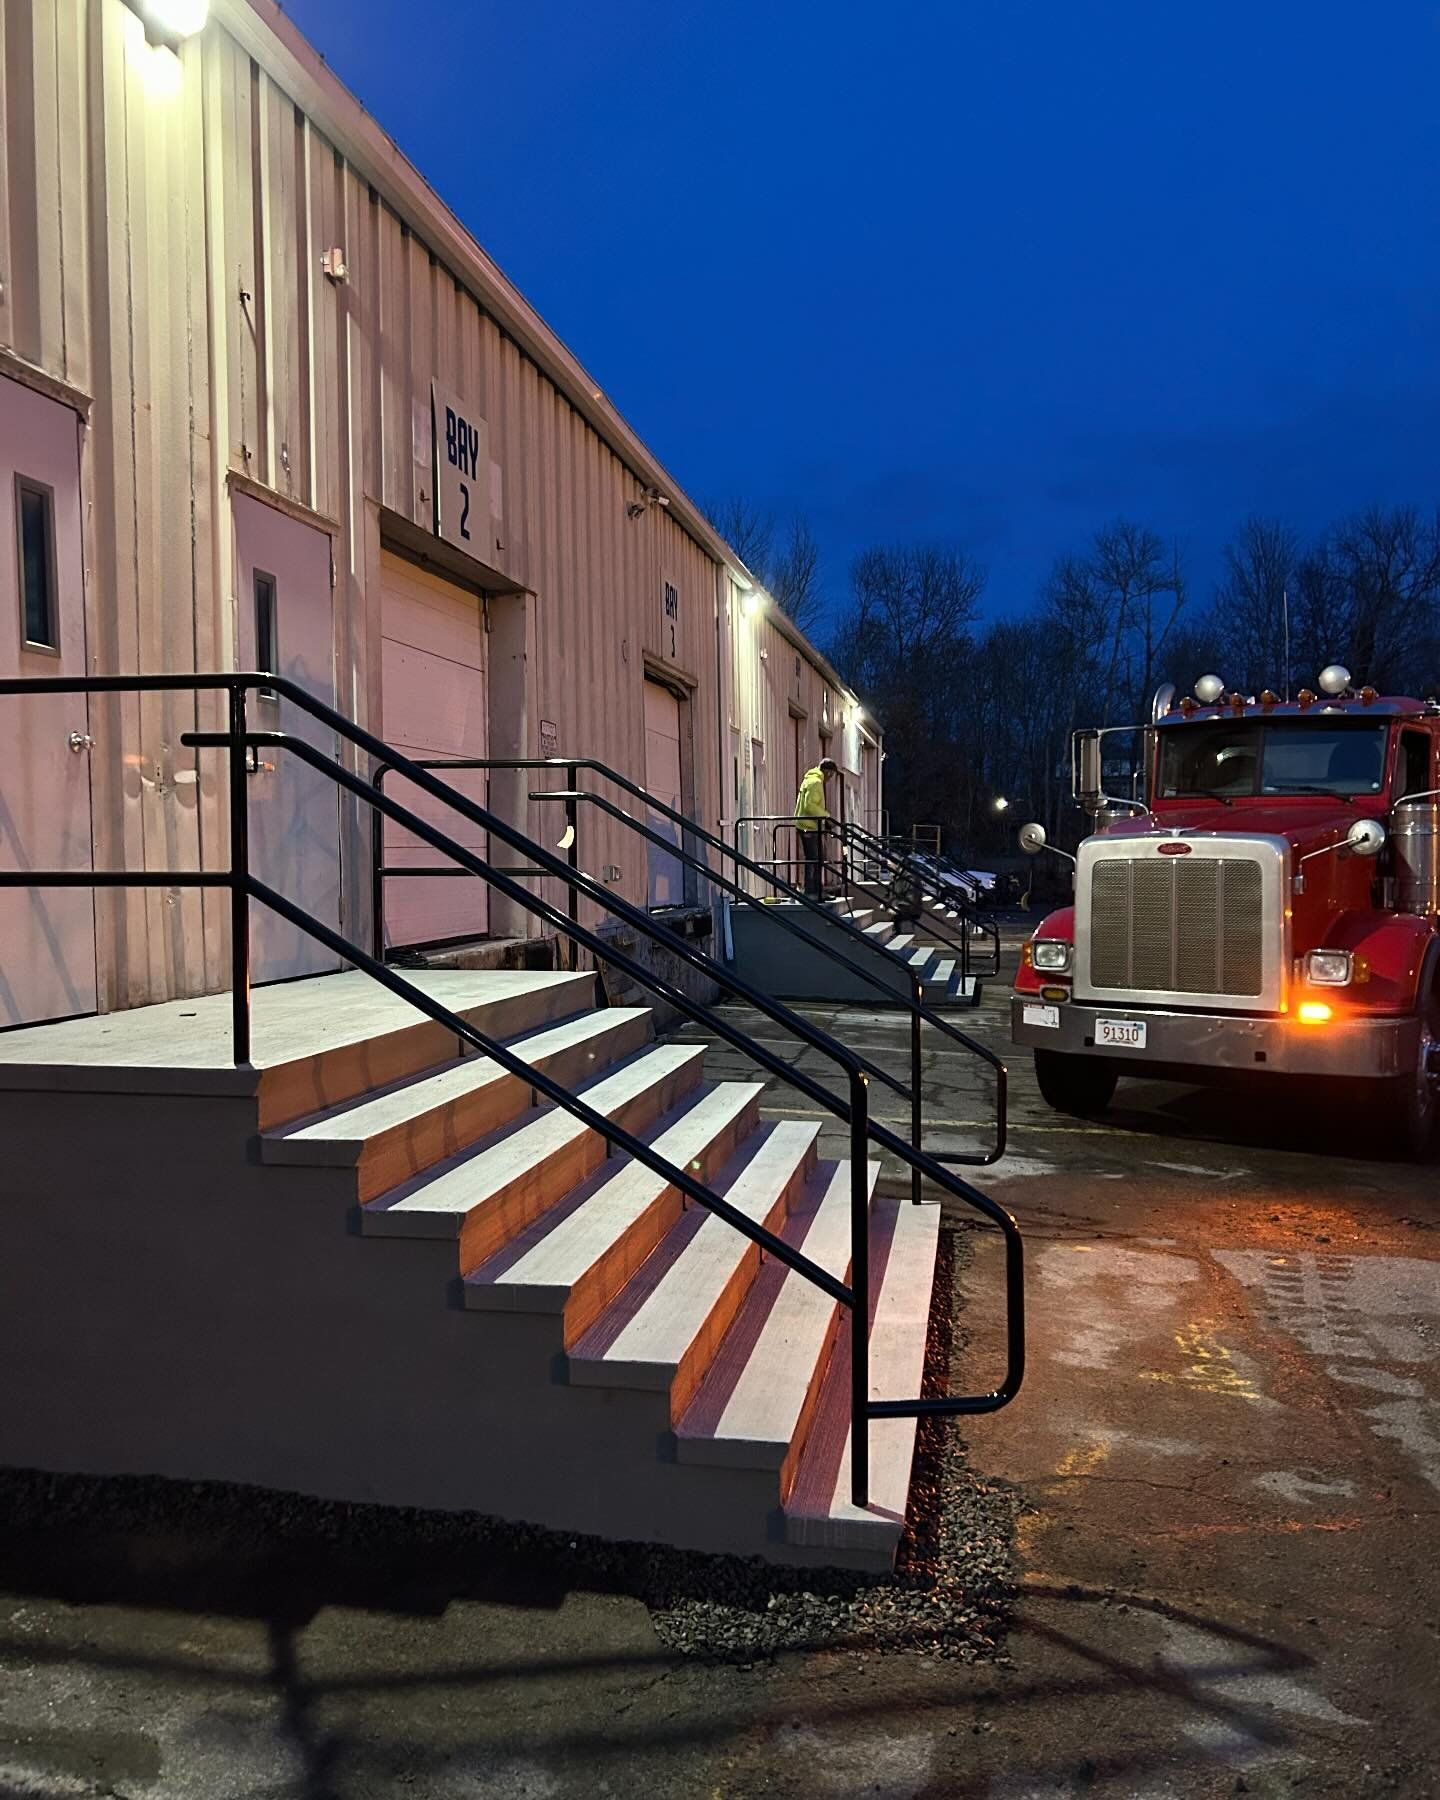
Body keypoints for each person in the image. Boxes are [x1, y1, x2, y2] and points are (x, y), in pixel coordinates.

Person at [793, 756, 838, 897]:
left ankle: (815, 889)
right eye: (831, 775)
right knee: (814, 857)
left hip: (808, 825)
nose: (830, 778)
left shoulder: (811, 779)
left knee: (815, 857)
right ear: (828, 772)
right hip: (809, 826)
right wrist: (826, 816)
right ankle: (813, 891)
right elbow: (809, 805)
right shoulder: (815, 782)